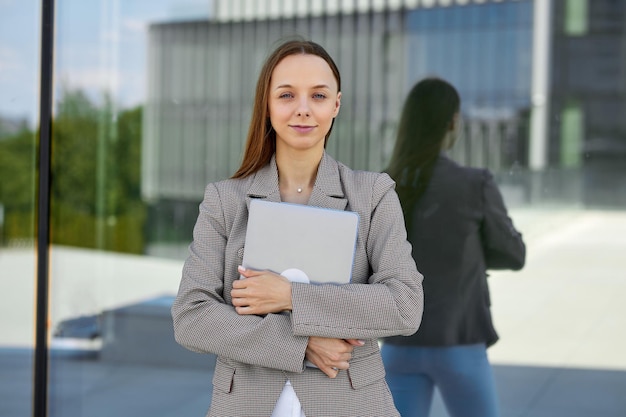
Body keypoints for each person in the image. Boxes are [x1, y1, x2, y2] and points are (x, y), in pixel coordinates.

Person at [171, 38, 424, 417]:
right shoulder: (224, 201)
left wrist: (290, 295)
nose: (303, 110)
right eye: (287, 95)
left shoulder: (372, 194)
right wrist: (301, 345)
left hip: (351, 404)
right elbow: (192, 317)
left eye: (318, 96)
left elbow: (404, 305)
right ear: (267, 106)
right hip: (247, 404)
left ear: (336, 104)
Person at [381, 77, 526, 417]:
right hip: (459, 342)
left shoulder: (382, 186)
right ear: (452, 123)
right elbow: (514, 254)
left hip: (399, 345)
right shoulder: (474, 183)